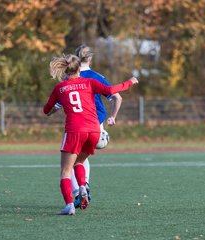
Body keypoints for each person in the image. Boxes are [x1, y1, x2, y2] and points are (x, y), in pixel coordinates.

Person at [43, 54, 138, 215]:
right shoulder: (89, 82)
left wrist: (55, 107)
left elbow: (46, 110)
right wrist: (130, 82)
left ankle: (69, 206)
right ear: (79, 69)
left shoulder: (60, 88)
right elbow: (111, 90)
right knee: (79, 162)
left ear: (66, 70)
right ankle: (82, 187)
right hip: (94, 130)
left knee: (65, 171)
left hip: (75, 130)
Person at [71, 44, 122, 207]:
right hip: (96, 124)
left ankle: (78, 192)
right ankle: (84, 185)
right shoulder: (97, 76)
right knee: (82, 157)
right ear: (90, 58)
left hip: (77, 124)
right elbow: (117, 98)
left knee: (72, 161)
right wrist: (112, 117)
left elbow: (58, 104)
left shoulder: (70, 77)